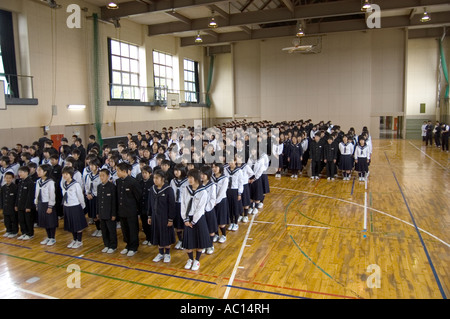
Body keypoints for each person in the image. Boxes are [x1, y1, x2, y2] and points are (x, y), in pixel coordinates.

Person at [181, 168, 211, 271]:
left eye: (191, 177)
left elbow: (200, 209)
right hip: (187, 219)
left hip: (198, 219)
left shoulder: (203, 192)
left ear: (197, 178)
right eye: (188, 177)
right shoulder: (186, 189)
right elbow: (183, 204)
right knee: (188, 243)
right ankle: (190, 259)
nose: (189, 179)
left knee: (200, 241)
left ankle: (197, 260)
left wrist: (193, 221)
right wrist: (185, 219)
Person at [148, 169, 176, 263]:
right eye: (154, 178)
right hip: (155, 217)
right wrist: (149, 216)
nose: (155, 180)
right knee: (158, 235)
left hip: (165, 217)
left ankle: (167, 253)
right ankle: (160, 253)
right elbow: (150, 203)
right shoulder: (152, 189)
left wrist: (170, 219)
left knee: (166, 236)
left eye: (157, 178)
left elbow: (172, 205)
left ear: (163, 179)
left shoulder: (168, 189)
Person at [116, 162, 142, 257]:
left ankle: (134, 247)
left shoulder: (133, 182)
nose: (117, 172)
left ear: (124, 171)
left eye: (118, 171)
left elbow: (138, 197)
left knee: (132, 229)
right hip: (122, 210)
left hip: (131, 211)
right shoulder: (118, 181)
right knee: (125, 229)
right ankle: (127, 245)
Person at [61, 166, 87, 248]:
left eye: (66, 174)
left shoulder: (75, 184)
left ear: (71, 175)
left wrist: (82, 206)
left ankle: (79, 241)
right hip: (67, 206)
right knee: (71, 224)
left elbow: (80, 196)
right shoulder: (64, 184)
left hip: (75, 206)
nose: (64, 176)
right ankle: (74, 239)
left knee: (77, 224)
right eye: (63, 174)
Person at [35, 164, 57, 245]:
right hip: (41, 203)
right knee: (44, 221)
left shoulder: (50, 182)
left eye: (39, 170)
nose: (38, 172)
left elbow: (52, 195)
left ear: (45, 172)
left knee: (50, 221)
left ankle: (52, 238)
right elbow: (36, 193)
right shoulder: (38, 181)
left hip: (48, 203)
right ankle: (48, 237)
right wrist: (36, 203)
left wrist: (50, 206)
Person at [97, 168, 117, 254]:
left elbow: (114, 202)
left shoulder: (112, 187)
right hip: (102, 212)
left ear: (108, 176)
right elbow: (98, 201)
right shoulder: (99, 187)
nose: (101, 177)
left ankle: (113, 246)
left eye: (103, 176)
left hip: (109, 213)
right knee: (104, 230)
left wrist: (113, 214)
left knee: (111, 230)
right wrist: (98, 212)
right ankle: (106, 244)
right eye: (100, 176)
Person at [200, 165, 218, 255]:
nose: (202, 176)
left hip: (209, 210)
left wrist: (206, 208)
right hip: (200, 211)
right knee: (203, 229)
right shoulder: (199, 185)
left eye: (204, 174)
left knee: (211, 229)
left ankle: (210, 245)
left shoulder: (212, 185)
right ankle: (204, 244)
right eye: (201, 174)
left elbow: (212, 199)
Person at [170, 163, 188, 250]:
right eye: (175, 170)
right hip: (175, 204)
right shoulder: (173, 181)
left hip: (183, 204)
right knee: (177, 225)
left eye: (178, 170)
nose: (176, 172)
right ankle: (180, 240)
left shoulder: (187, 181)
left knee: (183, 223)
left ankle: (185, 240)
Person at [15, 166, 35, 240]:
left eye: (21, 172)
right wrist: (16, 204)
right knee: (21, 220)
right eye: (19, 172)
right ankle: (24, 233)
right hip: (20, 205)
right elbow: (18, 194)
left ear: (26, 172)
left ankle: (30, 233)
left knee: (28, 220)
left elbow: (30, 196)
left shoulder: (30, 183)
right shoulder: (21, 182)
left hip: (27, 206)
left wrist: (28, 206)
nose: (19, 174)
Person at [212, 162, 229, 243]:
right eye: (213, 167)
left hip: (221, 201)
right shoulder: (211, 178)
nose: (214, 169)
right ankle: (216, 234)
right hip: (212, 201)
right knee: (214, 219)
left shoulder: (225, 178)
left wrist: (216, 201)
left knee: (221, 220)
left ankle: (223, 235)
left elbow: (222, 192)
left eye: (216, 167)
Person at [225, 158, 243, 232]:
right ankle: (231, 222)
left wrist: (239, 193)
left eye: (231, 161)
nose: (230, 163)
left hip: (235, 190)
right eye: (229, 161)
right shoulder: (226, 170)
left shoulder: (239, 171)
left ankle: (235, 223)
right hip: (227, 190)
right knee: (229, 207)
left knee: (235, 207)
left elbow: (240, 183)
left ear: (235, 161)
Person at [85, 159, 102, 237]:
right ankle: (98, 229)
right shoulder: (89, 175)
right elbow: (86, 185)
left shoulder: (100, 175)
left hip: (98, 197)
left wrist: (94, 194)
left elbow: (101, 186)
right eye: (90, 165)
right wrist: (88, 193)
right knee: (93, 215)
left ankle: (101, 229)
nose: (91, 167)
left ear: (97, 166)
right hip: (91, 197)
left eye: (92, 165)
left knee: (98, 215)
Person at [138, 165, 153, 246]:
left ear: (150, 174)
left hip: (149, 207)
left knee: (150, 224)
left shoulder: (152, 183)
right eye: (143, 173)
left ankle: (151, 238)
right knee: (144, 224)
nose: (144, 174)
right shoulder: (140, 182)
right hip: (142, 207)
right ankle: (147, 237)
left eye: (145, 173)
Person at [1, 172, 18, 238]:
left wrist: (16, 205)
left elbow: (16, 198)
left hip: (12, 207)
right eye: (6, 178)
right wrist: (2, 206)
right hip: (5, 207)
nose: (8, 179)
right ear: (4, 178)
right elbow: (1, 197)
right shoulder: (3, 187)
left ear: (12, 178)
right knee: (6, 220)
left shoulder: (15, 187)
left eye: (10, 178)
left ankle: (14, 232)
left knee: (13, 220)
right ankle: (8, 230)